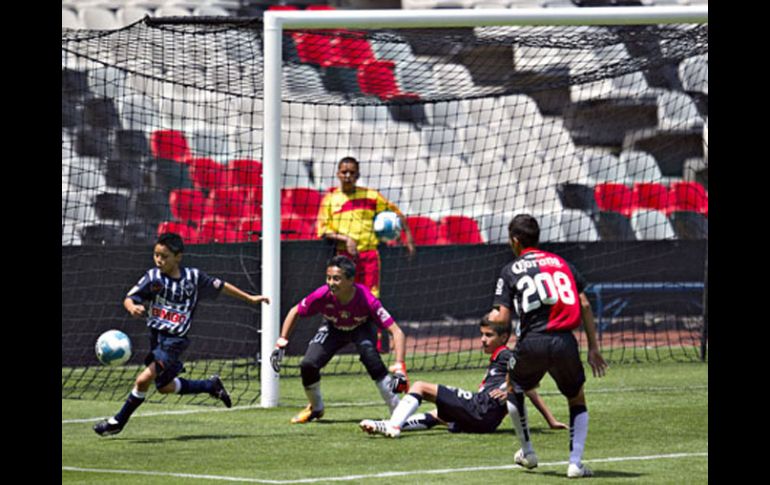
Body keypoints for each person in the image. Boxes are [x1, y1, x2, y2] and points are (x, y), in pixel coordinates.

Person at [93, 233, 270, 436]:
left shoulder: (193, 278)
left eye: (164, 256)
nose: (159, 260)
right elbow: (129, 297)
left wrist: (250, 298)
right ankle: (210, 385)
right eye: (156, 255)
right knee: (165, 387)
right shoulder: (153, 278)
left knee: (143, 380)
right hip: (157, 339)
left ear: (178, 257)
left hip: (174, 342)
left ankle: (117, 422)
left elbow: (221, 286)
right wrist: (132, 307)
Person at [488, 214, 608, 478]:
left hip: (532, 342)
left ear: (516, 241)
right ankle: (575, 463)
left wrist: (491, 320)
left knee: (513, 385)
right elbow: (585, 305)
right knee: (576, 397)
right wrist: (593, 348)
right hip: (565, 341)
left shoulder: (509, 270)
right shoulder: (563, 263)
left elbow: (503, 319)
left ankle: (528, 452)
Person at [358, 314, 565, 438]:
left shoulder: (505, 354)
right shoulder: (499, 357)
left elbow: (530, 382)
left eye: (488, 335)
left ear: (504, 337)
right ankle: (385, 424)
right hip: (487, 421)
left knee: (420, 386)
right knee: (438, 414)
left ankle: (393, 426)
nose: (482, 340)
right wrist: (551, 421)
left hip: (481, 408)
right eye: (482, 334)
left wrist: (506, 390)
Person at [270, 255, 409, 424]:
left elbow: (397, 332)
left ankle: (397, 410)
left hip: (361, 328)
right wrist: (282, 341)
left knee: (370, 356)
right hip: (333, 328)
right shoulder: (321, 294)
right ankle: (316, 408)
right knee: (308, 364)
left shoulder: (368, 300)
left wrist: (400, 367)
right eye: (328, 278)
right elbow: (295, 311)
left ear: (351, 280)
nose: (330, 283)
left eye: (336, 278)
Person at [316, 157, 416, 351]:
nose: (348, 176)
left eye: (352, 172)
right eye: (344, 172)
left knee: (372, 299)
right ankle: (332, 341)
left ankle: (377, 343)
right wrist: (345, 239)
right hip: (343, 258)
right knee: (339, 297)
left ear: (358, 175)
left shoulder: (371, 196)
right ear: (337, 174)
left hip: (369, 255)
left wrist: (408, 238)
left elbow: (396, 213)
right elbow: (323, 230)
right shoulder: (330, 200)